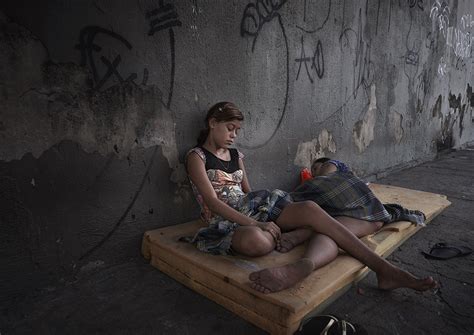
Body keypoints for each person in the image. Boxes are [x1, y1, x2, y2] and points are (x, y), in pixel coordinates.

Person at [185, 101, 437, 294]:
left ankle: (384, 269)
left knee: (310, 207)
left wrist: (264, 216)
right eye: (230, 128)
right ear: (212, 123)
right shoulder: (196, 157)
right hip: (225, 219)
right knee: (259, 243)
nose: (234, 135)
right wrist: (257, 224)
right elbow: (213, 203)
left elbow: (250, 194)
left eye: (237, 130)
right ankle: (303, 234)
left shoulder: (237, 155)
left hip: (254, 207)